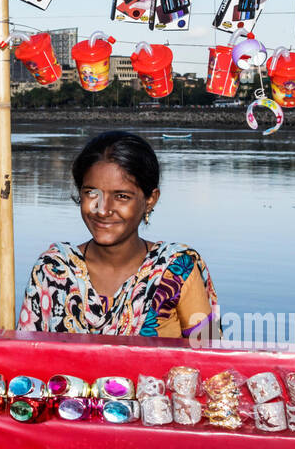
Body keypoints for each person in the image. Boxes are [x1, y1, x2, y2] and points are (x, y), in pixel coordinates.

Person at [18, 130, 217, 338]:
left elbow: (208, 358)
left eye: (122, 196)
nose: (103, 210)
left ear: (150, 200)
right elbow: (25, 359)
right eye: (91, 193)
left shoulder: (176, 270)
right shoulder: (53, 270)